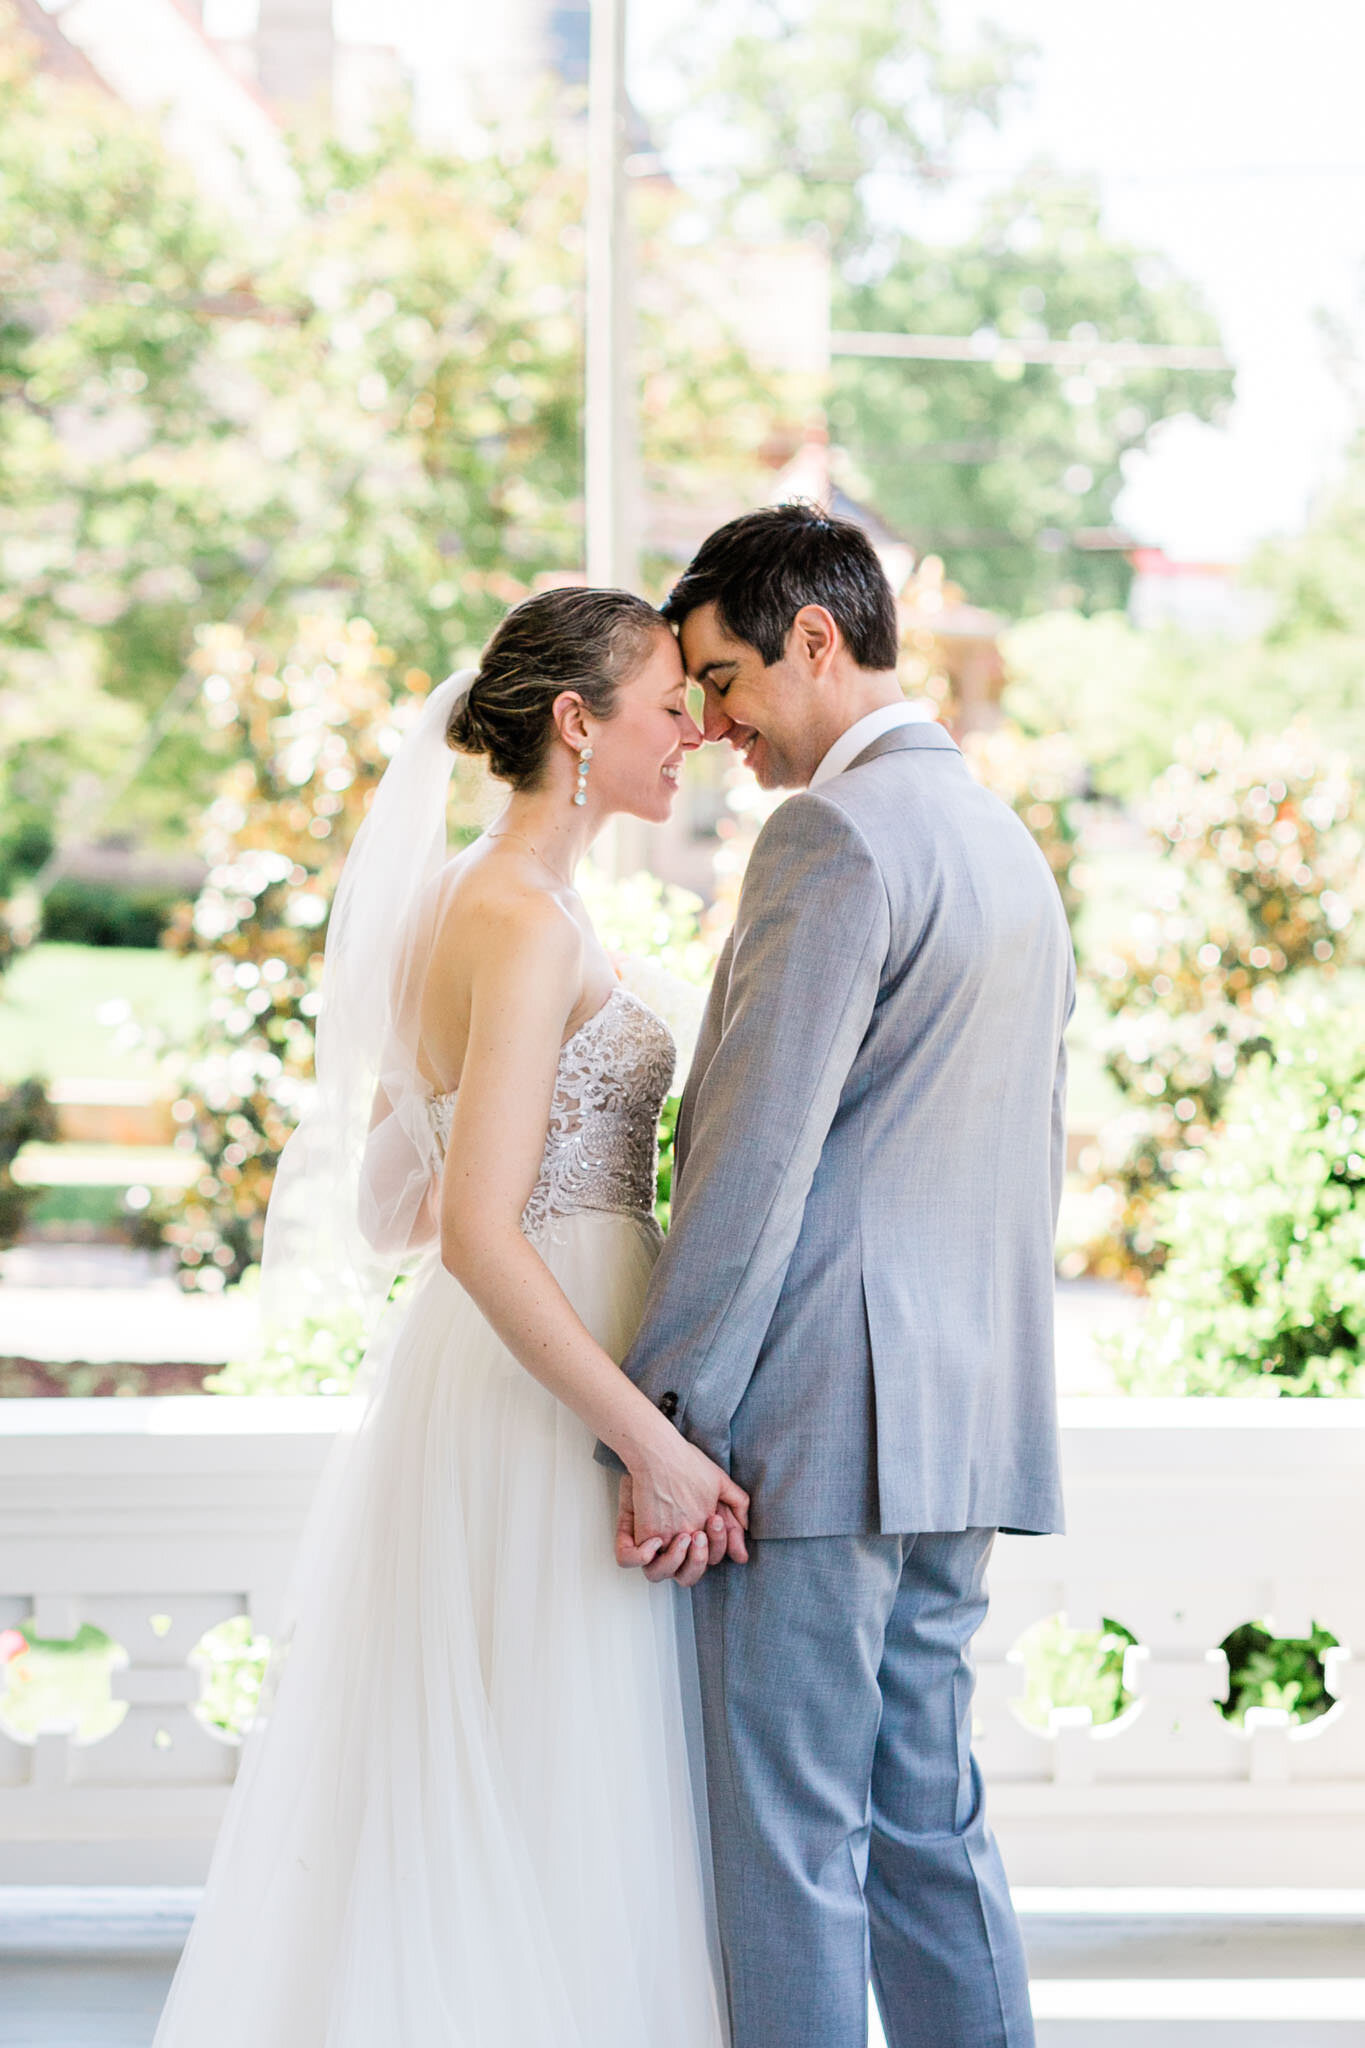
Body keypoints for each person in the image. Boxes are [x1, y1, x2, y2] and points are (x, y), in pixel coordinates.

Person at [152, 587, 741, 2048]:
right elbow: (476, 1231)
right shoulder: (525, 921)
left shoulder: (458, 900)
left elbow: (390, 1206)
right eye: (667, 705)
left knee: (507, 1758)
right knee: (561, 1768)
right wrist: (646, 1446)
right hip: (551, 1381)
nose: (693, 733)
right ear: (574, 723)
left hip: (485, 1372)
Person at [606, 503, 1075, 2048]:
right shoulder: (1000, 838)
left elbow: (748, 1165)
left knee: (791, 1848)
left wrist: (662, 1422)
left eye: (727, 677)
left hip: (813, 1428)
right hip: (961, 1422)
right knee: (927, 1829)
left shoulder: (831, 834)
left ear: (818, 637)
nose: (714, 721)